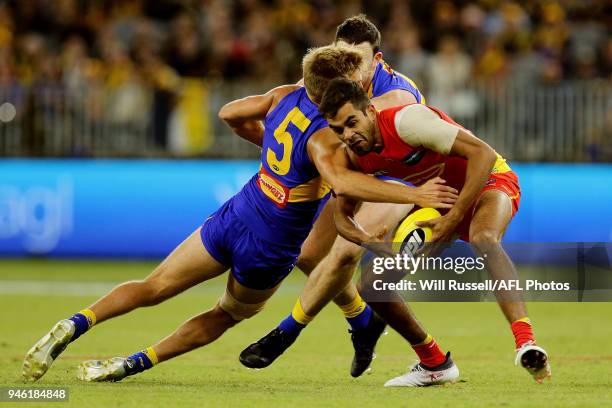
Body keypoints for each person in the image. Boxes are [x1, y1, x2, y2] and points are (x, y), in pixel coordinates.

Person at [21, 46, 455, 383]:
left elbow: (228, 112)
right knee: (225, 314)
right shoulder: (328, 138)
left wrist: (269, 147)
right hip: (270, 244)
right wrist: (413, 191)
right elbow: (343, 185)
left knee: (153, 286)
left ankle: (76, 322)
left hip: (240, 211)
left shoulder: (282, 97)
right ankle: (131, 364)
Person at [235, 14, 440, 378]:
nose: (347, 69)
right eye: (341, 57)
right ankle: (362, 321)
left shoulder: (397, 95)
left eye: (357, 61)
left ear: (376, 60)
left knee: (346, 250)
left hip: (397, 181)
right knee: (311, 255)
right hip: (354, 177)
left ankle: (285, 333)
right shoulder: (328, 80)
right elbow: (288, 121)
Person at [313, 78, 551, 384]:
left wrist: (452, 219)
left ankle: (526, 343)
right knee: (372, 285)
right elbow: (342, 217)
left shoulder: (407, 123)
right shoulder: (354, 155)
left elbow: (484, 155)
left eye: (352, 122)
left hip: (489, 183)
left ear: (370, 111)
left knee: (483, 238)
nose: (348, 135)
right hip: (438, 206)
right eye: (338, 130)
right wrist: (367, 240)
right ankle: (435, 363)